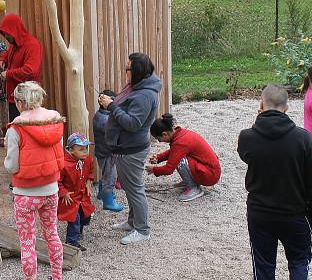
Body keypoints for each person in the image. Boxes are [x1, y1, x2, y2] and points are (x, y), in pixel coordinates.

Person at [237, 84, 312, 280]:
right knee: (299, 264)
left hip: (260, 214)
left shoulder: (247, 137)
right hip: (295, 214)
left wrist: (259, 122)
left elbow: (246, 154)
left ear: (261, 105)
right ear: (287, 107)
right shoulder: (302, 138)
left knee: (264, 266)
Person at [3, 81, 66, 280]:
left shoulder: (16, 129)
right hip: (51, 189)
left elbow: (11, 165)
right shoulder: (55, 121)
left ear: (20, 102)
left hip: (26, 194)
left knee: (27, 242)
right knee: (52, 234)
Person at [98, 53, 161, 245]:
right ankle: (133, 222)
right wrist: (114, 101)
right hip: (125, 147)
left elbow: (133, 123)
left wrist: (111, 106)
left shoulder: (144, 95)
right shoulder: (138, 86)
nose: (126, 71)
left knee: (135, 189)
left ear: (137, 72)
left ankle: (142, 230)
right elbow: (125, 106)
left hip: (132, 149)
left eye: (128, 68)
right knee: (131, 187)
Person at [145, 113, 221, 201]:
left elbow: (169, 169)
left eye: (158, 139)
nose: (159, 141)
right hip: (211, 170)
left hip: (210, 175)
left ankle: (193, 188)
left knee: (180, 161)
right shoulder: (180, 134)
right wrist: (159, 157)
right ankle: (190, 181)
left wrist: (153, 170)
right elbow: (175, 151)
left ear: (165, 134)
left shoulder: (180, 142)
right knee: (179, 157)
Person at [0, 14, 43, 123]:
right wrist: (1, 60)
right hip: (16, 99)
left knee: (26, 130)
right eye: (5, 34)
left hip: (28, 100)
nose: (6, 37)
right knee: (16, 131)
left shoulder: (32, 45)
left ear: (15, 31)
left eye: (8, 34)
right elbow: (6, 54)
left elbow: (31, 70)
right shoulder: (14, 44)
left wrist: (8, 74)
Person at [58, 133, 95, 251]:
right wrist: (63, 192)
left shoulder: (87, 159)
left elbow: (90, 170)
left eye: (86, 148)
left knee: (86, 216)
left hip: (83, 195)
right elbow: (57, 181)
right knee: (74, 219)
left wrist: (89, 181)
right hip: (71, 197)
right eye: (81, 149)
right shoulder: (64, 164)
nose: (85, 152)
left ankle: (78, 231)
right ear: (71, 150)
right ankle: (71, 241)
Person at [92, 89, 123, 212]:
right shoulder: (105, 120)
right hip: (107, 153)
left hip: (103, 152)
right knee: (111, 177)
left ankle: (102, 193)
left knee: (106, 173)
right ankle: (108, 201)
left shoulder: (101, 115)